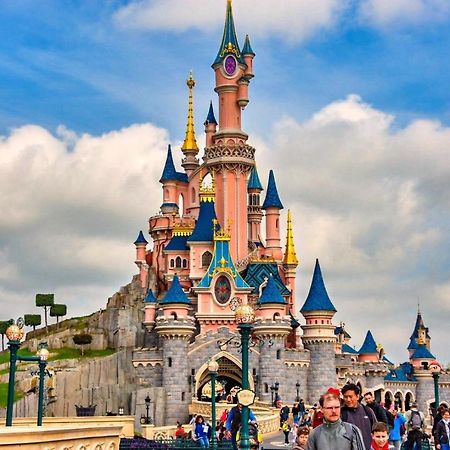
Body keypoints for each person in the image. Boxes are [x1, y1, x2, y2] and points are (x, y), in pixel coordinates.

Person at [341, 383, 377, 450]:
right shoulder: (341, 413)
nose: (348, 400)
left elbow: (376, 430)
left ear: (357, 397)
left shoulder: (368, 411)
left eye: (350, 396)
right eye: (345, 397)